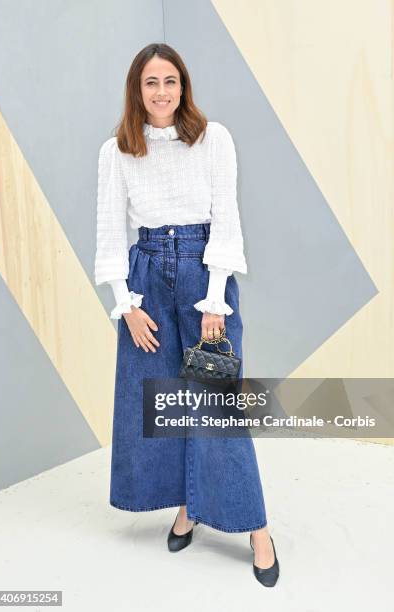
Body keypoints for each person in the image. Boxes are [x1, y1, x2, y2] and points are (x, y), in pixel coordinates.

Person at [94, 42, 279, 587]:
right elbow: (109, 230)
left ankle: (257, 527)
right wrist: (125, 304)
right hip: (146, 278)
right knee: (164, 403)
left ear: (183, 86)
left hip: (202, 273)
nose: (161, 92)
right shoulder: (118, 151)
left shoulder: (212, 138)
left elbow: (227, 217)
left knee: (216, 404)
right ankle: (187, 506)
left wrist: (215, 300)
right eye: (151, 82)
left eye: (170, 81)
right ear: (137, 89)